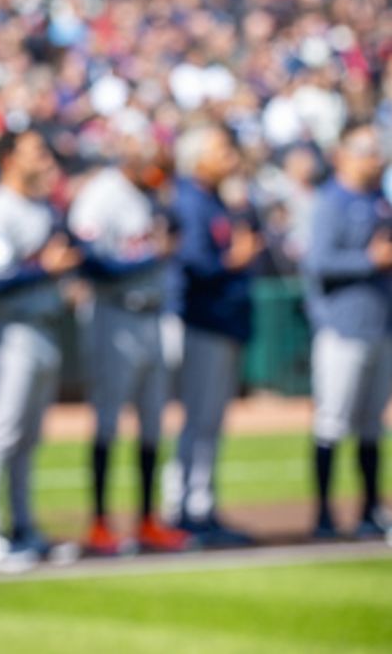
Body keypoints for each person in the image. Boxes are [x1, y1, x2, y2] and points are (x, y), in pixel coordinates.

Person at [0, 128, 81, 572]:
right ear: (9, 159)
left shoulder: (40, 206)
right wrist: (45, 269)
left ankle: (23, 527)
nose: (45, 158)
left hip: (42, 327)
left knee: (28, 438)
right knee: (0, 432)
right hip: (8, 331)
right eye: (36, 151)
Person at [68, 129, 190, 554]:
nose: (156, 168)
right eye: (150, 159)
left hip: (152, 315)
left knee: (154, 421)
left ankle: (148, 520)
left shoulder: (148, 195)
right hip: (113, 314)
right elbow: (89, 262)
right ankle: (100, 523)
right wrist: (150, 256)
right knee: (108, 420)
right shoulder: (101, 194)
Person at [163, 124, 262, 547]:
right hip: (199, 321)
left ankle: (201, 506)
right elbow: (195, 263)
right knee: (198, 420)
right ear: (197, 157)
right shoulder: (189, 199)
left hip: (220, 320)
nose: (231, 157)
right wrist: (235, 259)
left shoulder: (218, 199)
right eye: (221, 150)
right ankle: (183, 509)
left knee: (210, 421)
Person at [301, 123, 392, 539]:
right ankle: (323, 514)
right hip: (342, 327)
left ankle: (370, 509)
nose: (376, 157)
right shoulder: (330, 201)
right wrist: (370, 260)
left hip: (380, 324)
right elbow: (318, 262)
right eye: (366, 150)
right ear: (343, 154)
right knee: (332, 421)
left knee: (372, 423)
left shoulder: (379, 200)